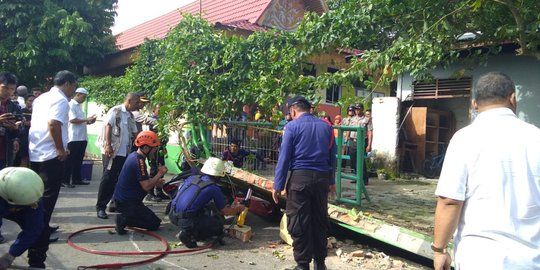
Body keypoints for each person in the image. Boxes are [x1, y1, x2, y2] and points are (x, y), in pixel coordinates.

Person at [433, 72, 540, 270]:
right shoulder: (536, 137)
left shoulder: (464, 138)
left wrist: (439, 250)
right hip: (531, 260)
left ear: (474, 104)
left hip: (479, 257)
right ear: (513, 98)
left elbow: (450, 201)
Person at [272, 96, 337, 270]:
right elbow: (333, 156)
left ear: (293, 110)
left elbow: (284, 159)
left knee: (299, 221)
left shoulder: (291, 127)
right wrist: (332, 181)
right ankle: (320, 263)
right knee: (319, 220)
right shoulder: (327, 127)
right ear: (310, 109)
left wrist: (278, 186)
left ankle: (302, 265)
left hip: (300, 179)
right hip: (322, 179)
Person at [28, 70, 76, 241]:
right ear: (68, 83)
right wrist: (60, 149)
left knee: (38, 195)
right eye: (74, 86)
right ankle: (39, 233)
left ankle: (41, 226)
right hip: (50, 154)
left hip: (36, 151)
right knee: (48, 196)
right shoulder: (61, 100)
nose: (74, 90)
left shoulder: (41, 98)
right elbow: (53, 124)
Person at [169, 157, 245, 248]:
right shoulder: (213, 188)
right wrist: (239, 208)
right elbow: (225, 211)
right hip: (186, 220)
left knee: (209, 206)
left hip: (172, 214)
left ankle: (188, 228)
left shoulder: (192, 178)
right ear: (217, 175)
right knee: (218, 227)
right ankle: (190, 234)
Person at [112, 131, 168, 235]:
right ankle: (124, 219)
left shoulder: (135, 156)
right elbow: (146, 186)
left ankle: (127, 215)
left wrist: (156, 182)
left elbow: (142, 180)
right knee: (154, 224)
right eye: (154, 148)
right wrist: (160, 174)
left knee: (153, 220)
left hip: (127, 200)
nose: (155, 151)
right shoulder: (138, 161)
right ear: (146, 148)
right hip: (127, 203)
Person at [95, 93, 139, 219]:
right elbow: (108, 126)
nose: (138, 105)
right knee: (108, 178)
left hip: (125, 152)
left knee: (120, 179)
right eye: (136, 103)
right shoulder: (116, 111)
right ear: (130, 101)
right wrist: (108, 145)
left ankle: (114, 203)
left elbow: (135, 133)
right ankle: (101, 207)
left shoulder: (130, 115)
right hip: (113, 151)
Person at [0, 167, 49, 269]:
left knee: (41, 229)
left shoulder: (32, 191)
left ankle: (36, 262)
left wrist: (10, 256)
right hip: (7, 201)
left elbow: (34, 228)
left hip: (20, 203)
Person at [63, 88, 96, 188]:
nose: (84, 99)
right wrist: (87, 119)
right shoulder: (71, 105)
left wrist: (89, 121)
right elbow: (72, 120)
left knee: (78, 160)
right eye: (83, 96)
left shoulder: (79, 107)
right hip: (73, 137)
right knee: (70, 160)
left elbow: (80, 121)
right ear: (78, 94)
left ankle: (77, 179)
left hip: (81, 137)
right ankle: (65, 180)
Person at [14, 94, 35, 167]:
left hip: (35, 137)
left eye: (34, 101)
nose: (32, 102)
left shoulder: (39, 112)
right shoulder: (21, 111)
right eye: (30, 101)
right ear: (25, 102)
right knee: (24, 157)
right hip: (23, 136)